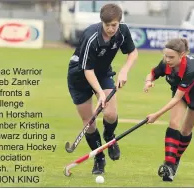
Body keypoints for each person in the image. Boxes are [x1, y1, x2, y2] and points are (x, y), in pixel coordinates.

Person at [67, 3, 138, 175]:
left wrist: (124, 71)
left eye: (114, 25)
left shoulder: (123, 31)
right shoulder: (91, 36)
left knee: (110, 114)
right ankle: (99, 158)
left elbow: (133, 53)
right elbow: (87, 70)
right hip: (80, 77)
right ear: (102, 22)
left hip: (103, 73)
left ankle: (109, 137)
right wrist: (100, 93)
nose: (111, 29)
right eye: (107, 25)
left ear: (119, 23)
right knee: (89, 121)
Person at [143, 38, 194, 182]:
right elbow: (153, 73)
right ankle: (169, 165)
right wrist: (148, 81)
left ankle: (176, 160)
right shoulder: (166, 63)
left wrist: (156, 115)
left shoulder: (192, 69)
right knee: (173, 123)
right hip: (180, 93)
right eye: (165, 56)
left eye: (171, 57)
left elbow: (175, 99)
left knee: (185, 131)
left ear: (182, 55)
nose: (167, 60)